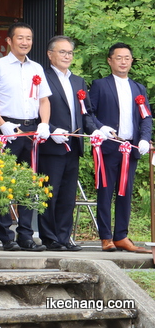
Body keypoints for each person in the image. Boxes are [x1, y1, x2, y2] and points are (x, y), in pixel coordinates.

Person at [0, 22, 51, 252]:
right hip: (8, 130)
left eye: (29, 38)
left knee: (28, 185)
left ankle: (26, 236)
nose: (25, 42)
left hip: (31, 130)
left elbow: (44, 100)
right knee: (3, 184)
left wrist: (44, 123)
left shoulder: (37, 68)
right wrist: (1, 125)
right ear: (9, 41)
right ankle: (6, 237)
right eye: (20, 38)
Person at [38, 35, 102, 251]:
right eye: (62, 52)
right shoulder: (42, 77)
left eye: (70, 53)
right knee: (50, 193)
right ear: (50, 54)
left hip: (74, 145)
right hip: (52, 144)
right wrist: (52, 129)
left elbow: (87, 113)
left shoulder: (78, 81)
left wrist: (96, 130)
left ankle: (64, 238)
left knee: (67, 195)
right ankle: (49, 237)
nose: (67, 56)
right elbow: (34, 109)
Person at [89, 42, 152, 253]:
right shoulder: (100, 85)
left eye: (127, 58)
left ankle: (122, 236)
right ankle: (106, 237)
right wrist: (100, 128)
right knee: (105, 192)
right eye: (118, 58)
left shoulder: (138, 88)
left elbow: (146, 117)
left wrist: (144, 138)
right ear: (110, 60)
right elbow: (89, 114)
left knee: (125, 192)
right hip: (108, 147)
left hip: (130, 148)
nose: (123, 62)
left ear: (131, 61)